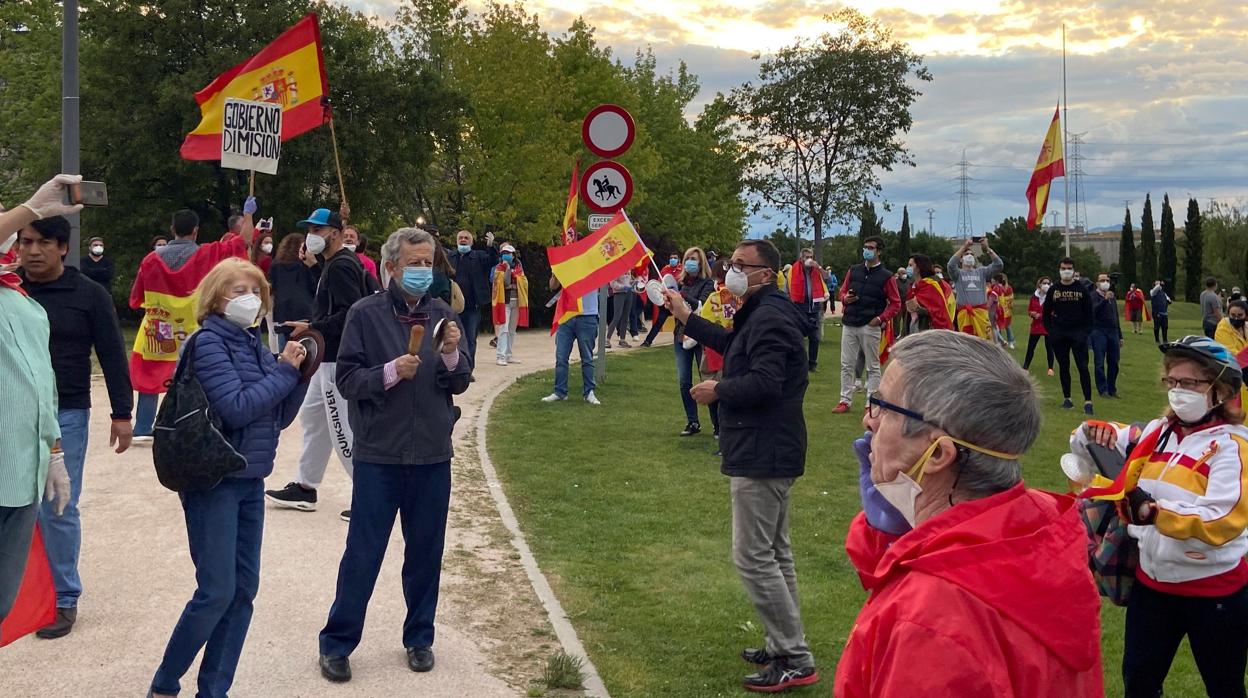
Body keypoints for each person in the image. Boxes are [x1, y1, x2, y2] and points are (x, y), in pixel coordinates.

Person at [837, 330, 1102, 696]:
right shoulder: (1036, 531)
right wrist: (896, 535)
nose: (870, 421)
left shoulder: (932, 617)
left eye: (883, 406)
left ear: (940, 455)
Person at [317, 228, 472, 683]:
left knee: (425, 552)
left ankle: (420, 637)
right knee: (363, 552)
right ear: (390, 267)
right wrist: (388, 372)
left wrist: (447, 355)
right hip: (379, 454)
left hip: (430, 453)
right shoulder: (364, 314)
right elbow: (347, 381)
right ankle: (337, 643)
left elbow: (460, 378)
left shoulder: (444, 315)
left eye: (428, 263)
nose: (423, 271)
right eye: (414, 264)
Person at [149, 258, 309, 698]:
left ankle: (214, 690)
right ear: (216, 298)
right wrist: (283, 372)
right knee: (216, 591)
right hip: (214, 480)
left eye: (254, 290)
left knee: (242, 593)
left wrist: (297, 376)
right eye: (237, 290)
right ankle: (164, 684)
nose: (248, 299)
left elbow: (273, 418)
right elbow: (237, 408)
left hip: (249, 479)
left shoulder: (252, 344)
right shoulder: (208, 343)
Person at [671, 239, 819, 692]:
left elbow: (766, 383)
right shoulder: (761, 310)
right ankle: (782, 642)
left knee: (754, 557)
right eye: (729, 263)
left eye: (739, 265)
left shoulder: (771, 316)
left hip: (765, 448)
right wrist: (686, 316)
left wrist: (718, 390)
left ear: (766, 274)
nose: (728, 271)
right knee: (775, 553)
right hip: (767, 446)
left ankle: (794, 656)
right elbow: (734, 343)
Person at [1074, 336, 1248, 697]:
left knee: (1225, 687)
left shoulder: (1234, 445)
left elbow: (1223, 519)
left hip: (1214, 591)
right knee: (1138, 683)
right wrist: (1091, 432)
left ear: (1221, 390)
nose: (1177, 391)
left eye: (1190, 383)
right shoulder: (1158, 432)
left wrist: (1154, 513)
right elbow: (1104, 444)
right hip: (1152, 587)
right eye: (1172, 382)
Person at [17, 216, 134, 639]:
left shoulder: (89, 294)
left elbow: (112, 353)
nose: (32, 250)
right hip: (10, 413)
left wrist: (123, 413)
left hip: (65, 414)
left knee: (57, 506)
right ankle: (18, 592)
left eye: (43, 242)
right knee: (12, 505)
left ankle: (63, 598)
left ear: (63, 247)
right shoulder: (10, 289)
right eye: (25, 241)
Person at [0, 175, 80, 631]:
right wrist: (33, 207)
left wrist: (53, 453)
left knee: (2, 603)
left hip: (21, 474)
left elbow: (42, 384)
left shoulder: (24, 300)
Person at [264, 207, 364, 519]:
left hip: (336, 358)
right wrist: (310, 322)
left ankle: (368, 493)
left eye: (318, 230)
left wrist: (312, 329)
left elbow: (350, 312)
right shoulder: (332, 264)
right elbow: (331, 307)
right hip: (326, 358)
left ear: (334, 232)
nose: (313, 235)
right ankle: (305, 487)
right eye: (310, 229)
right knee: (313, 418)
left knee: (341, 426)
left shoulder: (342, 266)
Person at [129, 203, 256, 443]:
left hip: (160, 330)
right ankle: (193, 423)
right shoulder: (208, 253)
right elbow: (243, 242)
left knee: (150, 373)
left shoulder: (150, 260)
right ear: (196, 231)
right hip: (194, 330)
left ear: (172, 229)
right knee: (197, 377)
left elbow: (136, 299)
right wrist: (248, 214)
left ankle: (143, 427)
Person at [833, 236, 901, 414]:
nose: (867, 250)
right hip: (850, 322)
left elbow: (896, 303)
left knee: (873, 366)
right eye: (865, 247)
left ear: (879, 251)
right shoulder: (853, 270)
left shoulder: (886, 277)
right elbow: (842, 291)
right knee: (846, 363)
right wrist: (844, 299)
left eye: (871, 248)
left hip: (870, 325)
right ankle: (844, 400)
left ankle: (871, 403)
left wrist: (880, 319)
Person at [671, 247, 716, 436]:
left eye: (694, 259)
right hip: (681, 335)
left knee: (707, 380)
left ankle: (718, 425)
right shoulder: (681, 283)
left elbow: (702, 305)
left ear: (701, 262)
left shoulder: (707, 283)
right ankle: (692, 421)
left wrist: (680, 296)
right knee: (684, 381)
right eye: (688, 258)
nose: (690, 262)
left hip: (701, 336)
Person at [1044, 258, 1095, 415]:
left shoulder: (1081, 289)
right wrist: (1051, 331)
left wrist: (1085, 332)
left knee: (1082, 367)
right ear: (1059, 270)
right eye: (1064, 268)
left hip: (1078, 333)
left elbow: (1089, 312)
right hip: (1059, 334)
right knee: (1063, 367)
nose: (1066, 271)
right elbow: (1046, 312)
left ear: (1073, 270)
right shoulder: (1054, 290)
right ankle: (1068, 399)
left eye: (1069, 268)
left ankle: (1088, 401)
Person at [448, 229, 498, 368]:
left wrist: (491, 246)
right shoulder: (450, 257)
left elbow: (493, 260)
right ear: (457, 241)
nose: (463, 240)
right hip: (454, 307)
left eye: (466, 238)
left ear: (472, 241)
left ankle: (467, 368)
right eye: (460, 238)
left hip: (472, 307)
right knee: (453, 338)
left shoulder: (479, 256)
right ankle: (454, 367)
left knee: (470, 339)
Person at [268, 233, 317, 352]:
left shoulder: (275, 266)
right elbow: (314, 287)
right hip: (306, 312)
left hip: (283, 313)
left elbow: (273, 288)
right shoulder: (306, 266)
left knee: (285, 354)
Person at [946, 238, 1004, 340]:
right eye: (966, 254)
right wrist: (964, 247)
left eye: (972, 254)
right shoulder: (958, 274)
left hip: (981, 314)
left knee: (985, 343)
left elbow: (999, 265)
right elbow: (951, 265)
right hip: (965, 315)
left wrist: (987, 249)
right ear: (961, 258)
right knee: (967, 343)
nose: (969, 256)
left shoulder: (981, 272)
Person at [788, 248, 828, 371]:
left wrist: (819, 267)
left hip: (814, 308)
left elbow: (828, 278)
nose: (809, 259)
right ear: (801, 259)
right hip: (799, 307)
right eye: (806, 257)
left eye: (811, 256)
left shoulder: (816, 270)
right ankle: (798, 363)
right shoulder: (794, 270)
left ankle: (812, 364)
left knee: (814, 338)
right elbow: (787, 288)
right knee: (797, 337)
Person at [490, 243, 528, 366]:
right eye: (504, 254)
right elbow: (503, 283)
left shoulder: (519, 268)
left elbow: (523, 282)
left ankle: (508, 354)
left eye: (508, 253)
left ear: (513, 255)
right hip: (504, 302)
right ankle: (500, 355)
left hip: (516, 302)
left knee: (512, 330)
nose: (506, 256)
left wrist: (514, 282)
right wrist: (507, 270)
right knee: (503, 329)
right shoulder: (499, 268)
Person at [1090, 272, 1124, 399]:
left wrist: (1120, 335)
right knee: (1099, 362)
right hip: (1099, 331)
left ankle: (1112, 388)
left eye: (1107, 280)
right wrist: (1104, 300)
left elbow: (1115, 317)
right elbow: (1093, 311)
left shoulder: (1112, 298)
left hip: (1113, 331)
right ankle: (1102, 389)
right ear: (1097, 283)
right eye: (1102, 280)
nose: (1105, 282)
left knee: (1114, 361)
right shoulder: (1093, 296)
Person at [903, 254, 953, 332]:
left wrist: (919, 309)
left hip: (928, 329)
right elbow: (910, 306)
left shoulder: (930, 285)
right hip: (913, 327)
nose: (907, 268)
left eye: (910, 265)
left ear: (919, 267)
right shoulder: (912, 285)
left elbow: (937, 310)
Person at [641, 252, 682, 347]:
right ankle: (648, 341)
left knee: (679, 323)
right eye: (671, 257)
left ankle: (678, 342)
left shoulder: (682, 269)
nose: (673, 259)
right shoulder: (665, 269)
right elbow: (659, 283)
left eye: (675, 258)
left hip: (678, 300)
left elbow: (683, 281)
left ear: (678, 259)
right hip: (666, 301)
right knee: (659, 322)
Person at [1022, 277, 1055, 376]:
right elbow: (1030, 310)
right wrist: (1032, 314)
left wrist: (1040, 315)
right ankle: (1025, 367)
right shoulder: (1034, 297)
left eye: (1048, 283)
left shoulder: (1051, 297)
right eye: (1044, 283)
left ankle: (1050, 368)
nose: (1046, 285)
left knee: (1049, 348)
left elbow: (1053, 312)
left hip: (1048, 326)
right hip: (1036, 326)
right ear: (1039, 284)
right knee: (1031, 347)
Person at [608, 270, 635, 348]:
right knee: (617, 316)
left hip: (629, 293)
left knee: (626, 317)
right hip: (619, 293)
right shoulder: (616, 269)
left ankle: (622, 339)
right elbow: (612, 283)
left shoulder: (628, 269)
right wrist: (623, 287)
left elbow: (629, 280)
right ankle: (607, 339)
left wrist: (633, 283)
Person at [993, 272, 1016, 348]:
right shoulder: (996, 287)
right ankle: (1000, 342)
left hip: (1006, 311)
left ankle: (1011, 341)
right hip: (998, 310)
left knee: (1008, 326)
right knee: (997, 327)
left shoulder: (1008, 288)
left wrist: (1007, 301)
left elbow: (1011, 298)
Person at [1151, 279, 1173, 345]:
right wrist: (1160, 284)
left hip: (1164, 312)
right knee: (1157, 327)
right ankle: (1157, 340)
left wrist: (1168, 301)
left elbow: (1169, 300)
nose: (1159, 285)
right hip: (1157, 312)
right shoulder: (1153, 292)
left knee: (1165, 327)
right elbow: (1155, 289)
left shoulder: (1164, 293)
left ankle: (1165, 340)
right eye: (1157, 284)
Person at [893, 266, 911, 337]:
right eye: (903, 273)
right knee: (897, 320)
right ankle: (895, 334)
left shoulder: (909, 282)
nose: (904, 274)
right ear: (899, 274)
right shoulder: (895, 282)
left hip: (907, 303)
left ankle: (905, 334)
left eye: (905, 273)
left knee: (906, 320)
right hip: (898, 303)